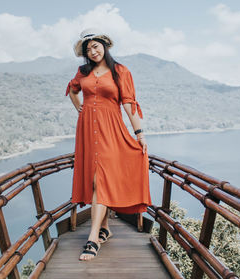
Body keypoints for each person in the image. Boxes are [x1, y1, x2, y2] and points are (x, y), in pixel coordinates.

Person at [66, 28, 152, 261]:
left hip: (111, 130)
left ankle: (92, 239)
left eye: (95, 46)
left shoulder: (120, 71)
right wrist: (79, 108)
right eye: (88, 49)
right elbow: (72, 90)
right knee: (95, 179)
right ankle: (104, 229)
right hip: (86, 131)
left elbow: (129, 104)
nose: (92, 51)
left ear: (104, 45)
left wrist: (140, 134)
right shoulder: (82, 71)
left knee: (100, 179)